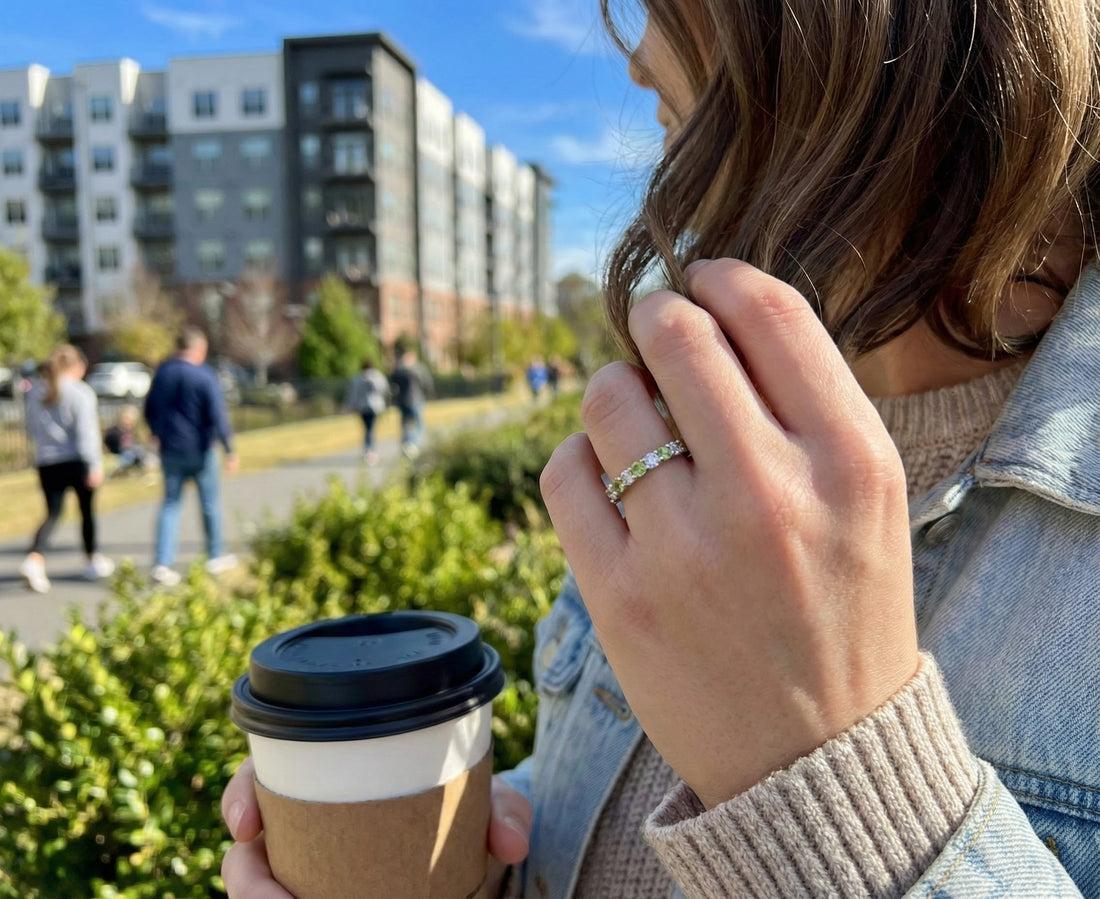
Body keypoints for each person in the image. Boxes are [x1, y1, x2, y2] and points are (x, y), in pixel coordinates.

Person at [221, 0, 1100, 896]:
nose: (638, 56)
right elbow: (600, 824)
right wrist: (463, 857)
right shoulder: (696, 425)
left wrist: (839, 792)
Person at [144, 326, 239, 587]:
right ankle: (215, 554)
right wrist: (229, 448)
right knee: (209, 504)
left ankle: (162, 563)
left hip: (171, 449)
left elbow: (149, 408)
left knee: (170, 505)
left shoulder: (163, 374)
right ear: (198, 349)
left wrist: (156, 432)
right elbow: (217, 414)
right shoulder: (203, 376)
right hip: (200, 449)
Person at [19, 345, 115, 593]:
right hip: (76, 460)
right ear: (75, 367)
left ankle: (35, 558)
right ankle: (91, 558)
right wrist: (94, 464)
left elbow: (30, 430)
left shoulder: (35, 393)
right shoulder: (80, 393)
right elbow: (86, 433)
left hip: (47, 462)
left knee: (52, 513)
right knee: (86, 512)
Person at [388, 347, 433, 459]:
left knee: (406, 424)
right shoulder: (417, 370)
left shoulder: (398, 371)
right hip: (415, 400)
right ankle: (412, 444)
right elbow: (426, 384)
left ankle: (406, 444)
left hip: (402, 401)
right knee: (418, 425)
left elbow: (391, 385)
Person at [343, 359, 390, 465]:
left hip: (362, 407)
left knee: (367, 429)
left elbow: (353, 394)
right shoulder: (378, 377)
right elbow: (385, 390)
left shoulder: (358, 378)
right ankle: (370, 451)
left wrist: (351, 407)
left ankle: (368, 450)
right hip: (375, 407)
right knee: (370, 429)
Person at [103, 404, 149, 476]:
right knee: (129, 455)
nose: (129, 422)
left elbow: (137, 444)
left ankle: (136, 470)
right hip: (118, 455)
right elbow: (108, 445)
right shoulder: (113, 431)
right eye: (127, 419)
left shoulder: (133, 432)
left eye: (131, 420)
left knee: (139, 451)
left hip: (132, 454)